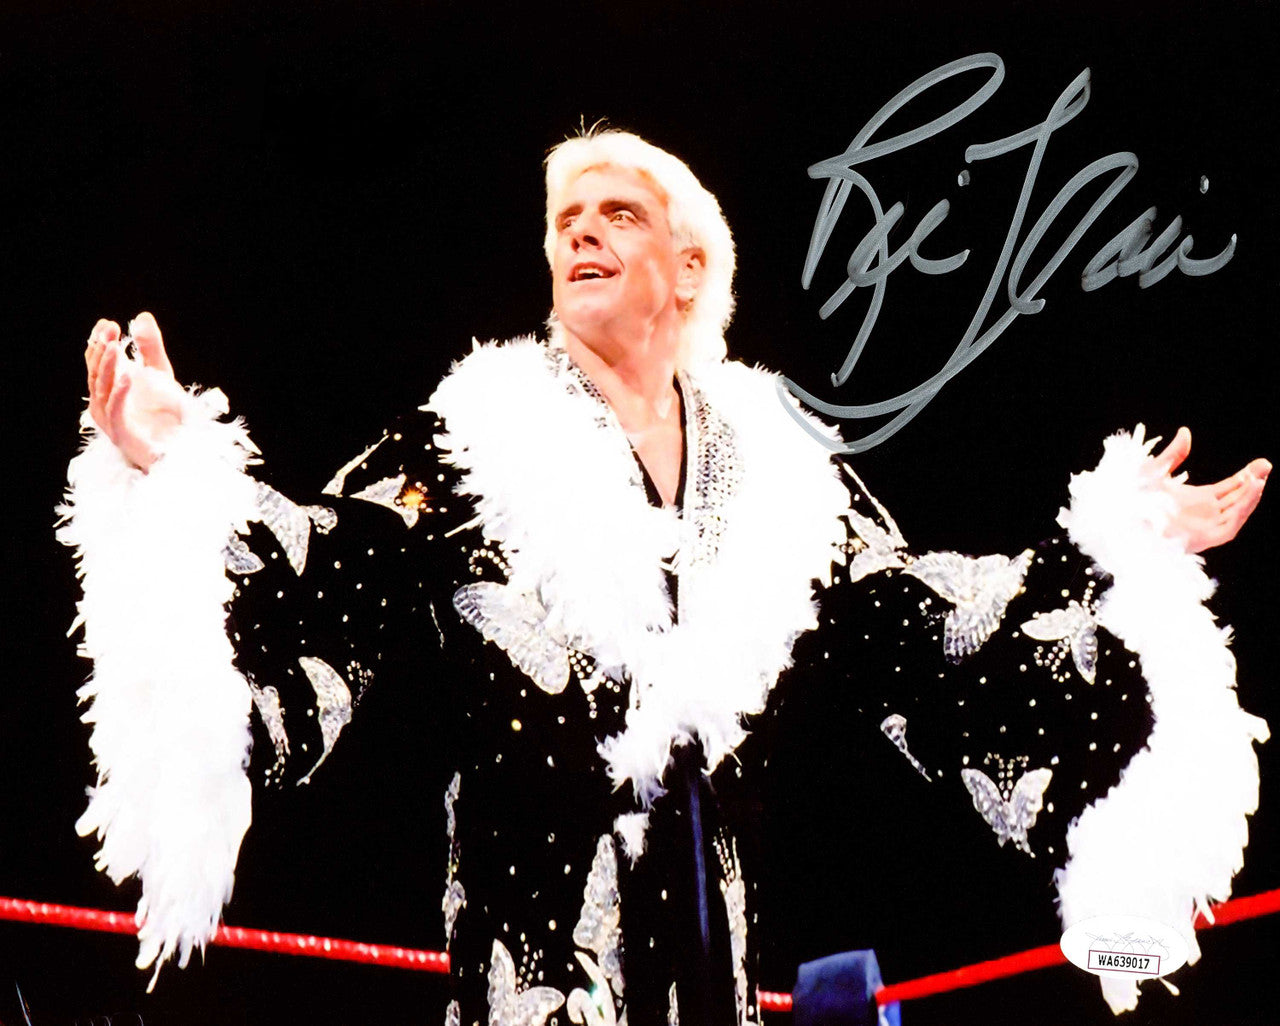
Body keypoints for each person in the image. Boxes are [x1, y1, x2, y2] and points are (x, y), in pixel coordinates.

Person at [62, 129, 1269, 1024]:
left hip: (710, 958)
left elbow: (921, 623)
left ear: (688, 269)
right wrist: (181, 471)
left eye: (616, 215)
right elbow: (333, 561)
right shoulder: (468, 441)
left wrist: (1112, 546)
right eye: (565, 219)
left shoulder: (782, 476)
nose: (579, 234)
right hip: (530, 973)